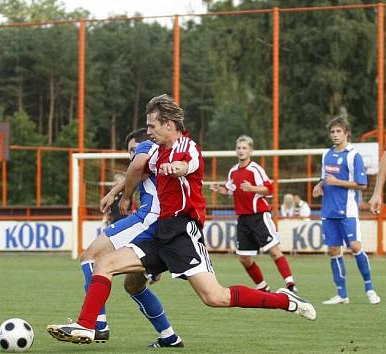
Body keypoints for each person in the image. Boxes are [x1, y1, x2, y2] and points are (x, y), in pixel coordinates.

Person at [46, 94, 315, 346]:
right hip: (159, 232)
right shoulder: (156, 151)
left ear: (169, 124)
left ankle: (284, 300)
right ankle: (86, 325)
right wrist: (118, 192)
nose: (148, 132)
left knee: (215, 297)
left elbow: (190, 164)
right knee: (104, 263)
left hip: (183, 233)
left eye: (152, 126)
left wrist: (179, 169)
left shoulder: (188, 147)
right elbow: (137, 169)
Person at [79, 128, 182, 347]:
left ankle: (97, 325)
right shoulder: (158, 155)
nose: (133, 155)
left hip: (148, 217)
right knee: (134, 286)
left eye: (133, 149)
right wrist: (114, 192)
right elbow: (137, 172)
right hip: (163, 228)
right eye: (130, 152)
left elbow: (136, 169)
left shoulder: (148, 147)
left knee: (90, 257)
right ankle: (170, 338)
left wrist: (119, 195)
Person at [210, 135, 298, 293]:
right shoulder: (233, 171)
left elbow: (269, 189)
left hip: (259, 216)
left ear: (251, 150)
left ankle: (291, 285)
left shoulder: (255, 169)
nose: (241, 151)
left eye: (244, 148)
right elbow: (231, 190)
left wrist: (253, 188)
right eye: (239, 148)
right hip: (243, 219)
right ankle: (263, 287)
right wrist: (220, 189)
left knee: (274, 251)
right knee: (244, 258)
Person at [312, 116, 380, 305]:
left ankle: (369, 288)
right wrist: (319, 185)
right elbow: (324, 178)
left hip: (347, 210)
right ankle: (342, 294)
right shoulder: (327, 155)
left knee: (355, 246)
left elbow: (362, 184)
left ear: (346, 133)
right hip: (328, 210)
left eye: (338, 131)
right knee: (334, 250)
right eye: (332, 132)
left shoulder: (353, 155)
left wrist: (337, 182)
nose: (335, 135)